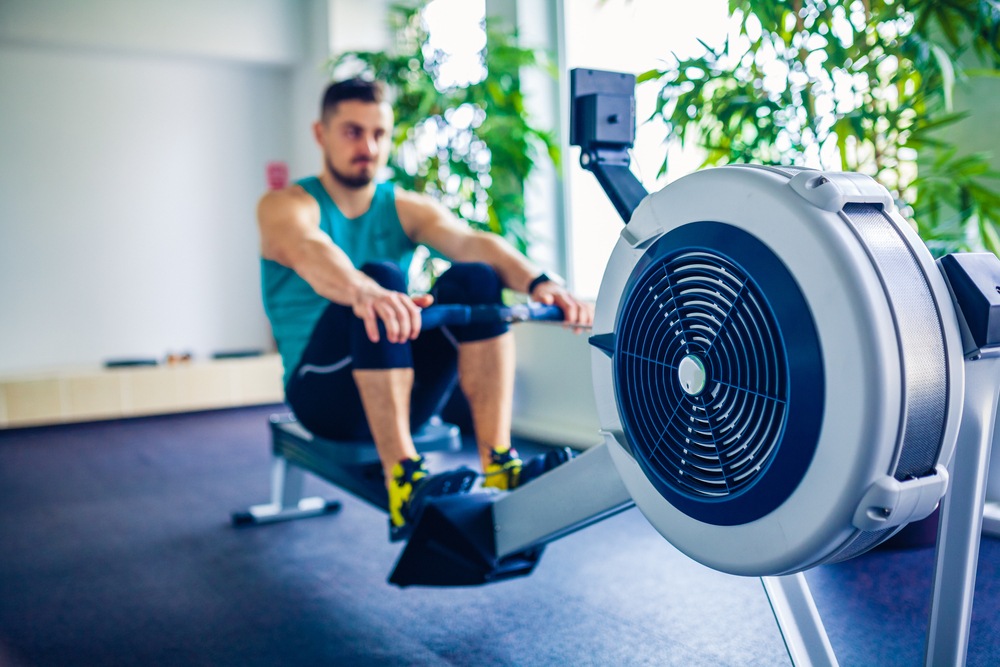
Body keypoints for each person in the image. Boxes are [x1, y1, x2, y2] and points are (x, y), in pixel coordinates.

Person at [257, 78, 593, 540]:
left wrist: (539, 282)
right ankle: (403, 482)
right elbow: (306, 248)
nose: (369, 146)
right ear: (321, 134)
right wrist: (363, 289)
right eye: (353, 132)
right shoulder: (284, 205)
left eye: (379, 134)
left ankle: (500, 464)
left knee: (476, 277)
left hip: (400, 395)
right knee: (383, 278)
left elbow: (472, 242)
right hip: (322, 396)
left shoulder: (403, 206)